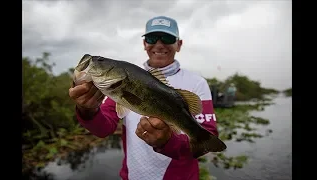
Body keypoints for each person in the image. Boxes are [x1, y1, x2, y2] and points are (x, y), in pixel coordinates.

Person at [69, 16, 220, 180]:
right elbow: (104, 128)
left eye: (168, 38)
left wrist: (167, 142)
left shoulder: (197, 83)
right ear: (144, 44)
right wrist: (87, 110)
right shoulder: (119, 84)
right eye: (152, 38)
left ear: (179, 44)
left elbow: (208, 133)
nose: (159, 44)